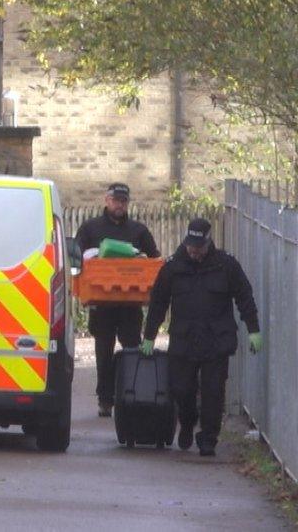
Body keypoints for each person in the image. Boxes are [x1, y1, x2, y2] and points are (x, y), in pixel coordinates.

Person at [141, 218, 261, 456]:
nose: (194, 252)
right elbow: (158, 302)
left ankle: (208, 439)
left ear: (208, 242)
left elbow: (244, 296)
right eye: (191, 247)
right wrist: (149, 335)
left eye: (199, 248)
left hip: (216, 340)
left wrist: (253, 328)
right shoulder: (173, 267)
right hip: (184, 341)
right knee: (182, 390)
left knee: (213, 392)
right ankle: (187, 422)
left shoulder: (225, 265)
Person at [75, 182, 160, 417]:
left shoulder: (138, 231)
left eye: (123, 201)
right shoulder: (91, 228)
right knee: (103, 352)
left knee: (132, 350)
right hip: (102, 304)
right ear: (106, 200)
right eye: (116, 200)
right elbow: (77, 259)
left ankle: (131, 396)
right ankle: (105, 400)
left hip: (130, 304)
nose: (119, 205)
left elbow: (155, 261)